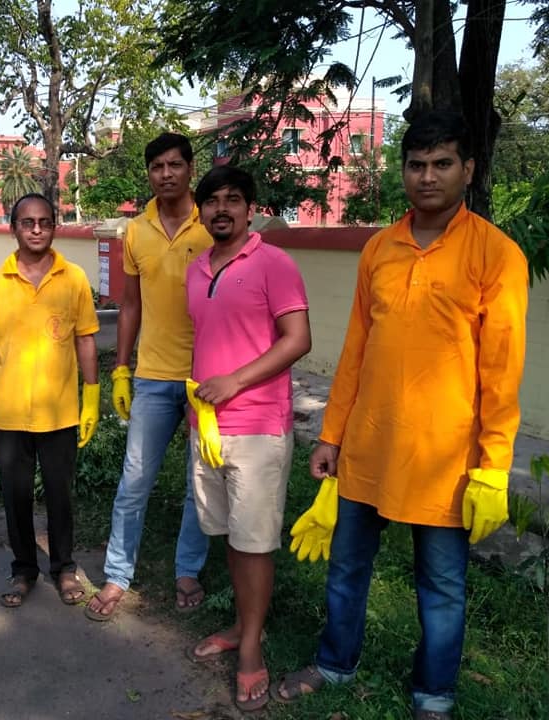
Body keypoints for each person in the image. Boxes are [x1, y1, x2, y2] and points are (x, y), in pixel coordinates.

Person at [274, 111, 528, 720]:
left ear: (469, 169)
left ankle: (433, 695)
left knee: (440, 585)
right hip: (368, 445)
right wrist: (331, 435)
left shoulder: (497, 255)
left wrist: (494, 468)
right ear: (403, 170)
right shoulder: (379, 249)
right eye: (417, 165)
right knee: (346, 566)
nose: (428, 177)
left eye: (443, 164)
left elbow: (502, 373)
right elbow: (356, 352)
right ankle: (335, 663)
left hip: (445, 458)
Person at [183, 165, 311, 712]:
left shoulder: (274, 263)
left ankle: (252, 649)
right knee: (231, 536)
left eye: (232, 199)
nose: (221, 209)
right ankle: (241, 625)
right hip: (208, 427)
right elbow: (208, 338)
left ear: (250, 208)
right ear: (201, 211)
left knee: (255, 541)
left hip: (258, 427)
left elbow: (298, 339)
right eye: (212, 200)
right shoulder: (195, 269)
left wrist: (234, 381)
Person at [85, 132, 213, 622]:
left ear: (190, 169)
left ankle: (187, 570)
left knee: (199, 482)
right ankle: (118, 574)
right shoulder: (135, 232)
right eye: (157, 166)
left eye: (174, 164)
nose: (166, 174)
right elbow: (130, 304)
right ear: (149, 173)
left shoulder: (212, 224)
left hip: (206, 379)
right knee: (134, 480)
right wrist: (122, 367)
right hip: (154, 376)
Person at [0, 193, 100, 608]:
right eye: (28, 222)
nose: (36, 229)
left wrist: (92, 395)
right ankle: (24, 568)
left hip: (60, 412)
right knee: (16, 497)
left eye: (44, 221)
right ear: (14, 229)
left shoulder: (74, 278)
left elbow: (86, 340)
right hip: (10, 414)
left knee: (61, 496)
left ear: (54, 226)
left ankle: (64, 568)